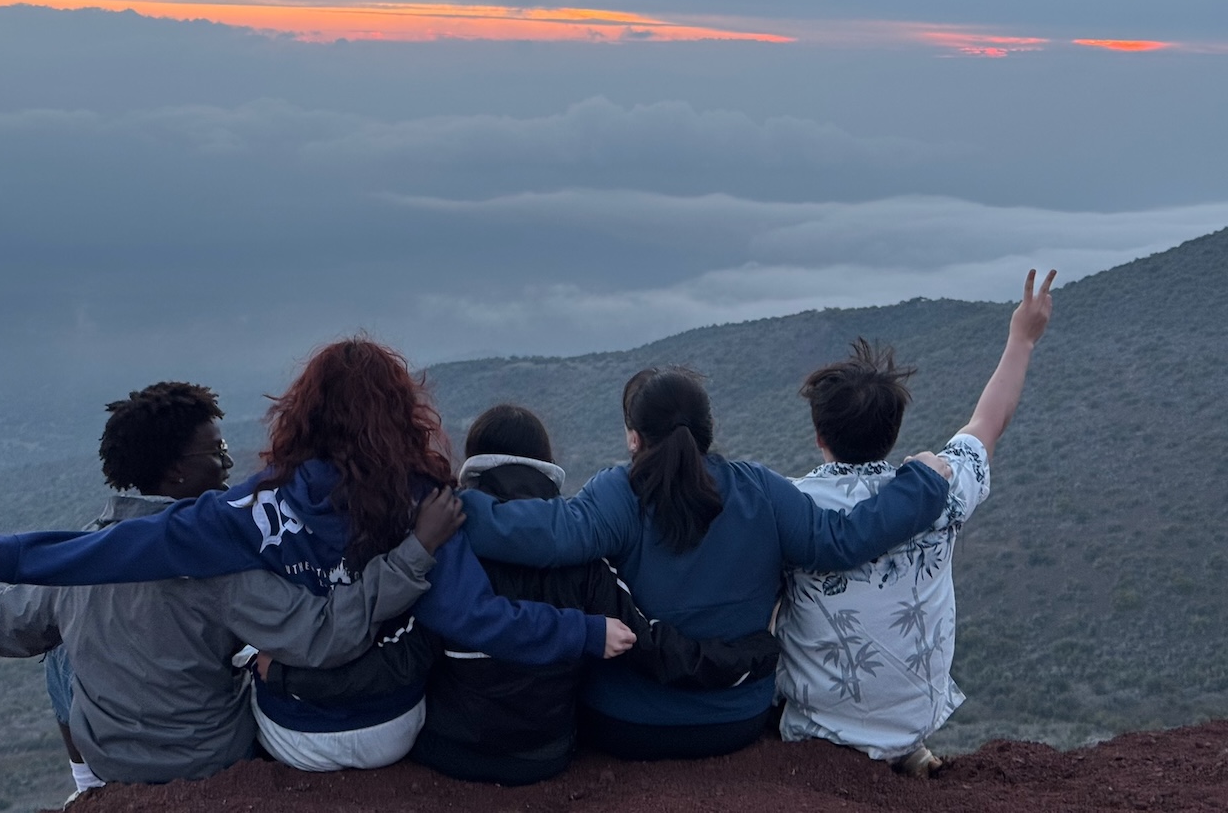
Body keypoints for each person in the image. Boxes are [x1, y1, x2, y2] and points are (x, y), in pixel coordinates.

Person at [0, 339, 635, 773]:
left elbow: (139, 541)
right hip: (396, 728)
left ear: (302, 413)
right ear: (402, 410)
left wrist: (15, 557)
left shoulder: (257, 505)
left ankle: (87, 781)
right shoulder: (425, 500)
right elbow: (470, 617)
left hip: (295, 738)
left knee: (140, 651)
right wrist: (584, 630)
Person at [0, 381, 461, 790]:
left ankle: (85, 784)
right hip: (211, 757)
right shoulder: (222, 563)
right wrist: (412, 555)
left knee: (58, 651)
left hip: (112, 757)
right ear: (175, 473)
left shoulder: (82, 557)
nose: (228, 464)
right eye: (215, 451)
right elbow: (324, 636)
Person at [261, 403, 784, 785]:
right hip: (549, 755)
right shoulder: (584, 556)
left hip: (452, 753)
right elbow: (648, 647)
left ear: (474, 466)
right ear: (547, 464)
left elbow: (397, 664)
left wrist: (283, 675)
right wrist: (752, 655)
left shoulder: (442, 545)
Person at [458, 367, 953, 761]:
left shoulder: (619, 492)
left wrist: (450, 504)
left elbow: (545, 535)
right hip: (732, 719)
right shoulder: (760, 490)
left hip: (624, 723)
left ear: (634, 438)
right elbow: (843, 540)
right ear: (709, 430)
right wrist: (923, 483)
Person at [774, 269, 1056, 775]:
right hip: (911, 720)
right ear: (893, 429)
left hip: (817, 733)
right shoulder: (939, 488)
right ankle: (906, 752)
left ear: (820, 434)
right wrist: (1022, 338)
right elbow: (988, 422)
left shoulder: (791, 505)